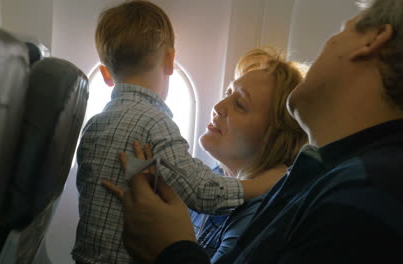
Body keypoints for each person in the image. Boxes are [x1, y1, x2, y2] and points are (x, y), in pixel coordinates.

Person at [104, 0, 403, 263]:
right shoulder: (327, 174)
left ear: (373, 39)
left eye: (343, 30)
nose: (220, 109)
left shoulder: (367, 199)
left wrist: (169, 249)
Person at [72, 2, 284, 264]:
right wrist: (264, 185)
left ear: (105, 74)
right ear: (170, 60)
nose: (218, 106)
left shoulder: (94, 125)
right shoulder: (156, 124)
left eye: (239, 103)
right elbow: (203, 193)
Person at [188, 48, 307, 263]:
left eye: (240, 105)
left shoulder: (261, 213)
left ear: (273, 136)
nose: (217, 107)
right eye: (227, 94)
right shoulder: (212, 178)